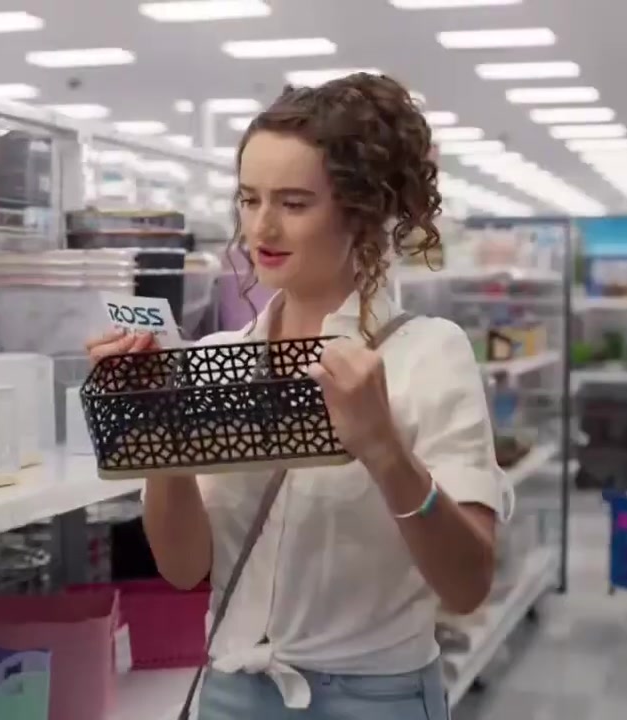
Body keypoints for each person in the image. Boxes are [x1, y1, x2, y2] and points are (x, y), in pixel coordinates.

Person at [86, 74, 506, 719]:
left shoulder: (426, 354)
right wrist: (159, 426)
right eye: (249, 199)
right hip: (230, 692)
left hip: (374, 700)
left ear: (360, 212)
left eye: (294, 202)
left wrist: (385, 451)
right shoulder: (216, 360)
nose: (262, 226)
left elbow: (468, 584)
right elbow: (183, 568)